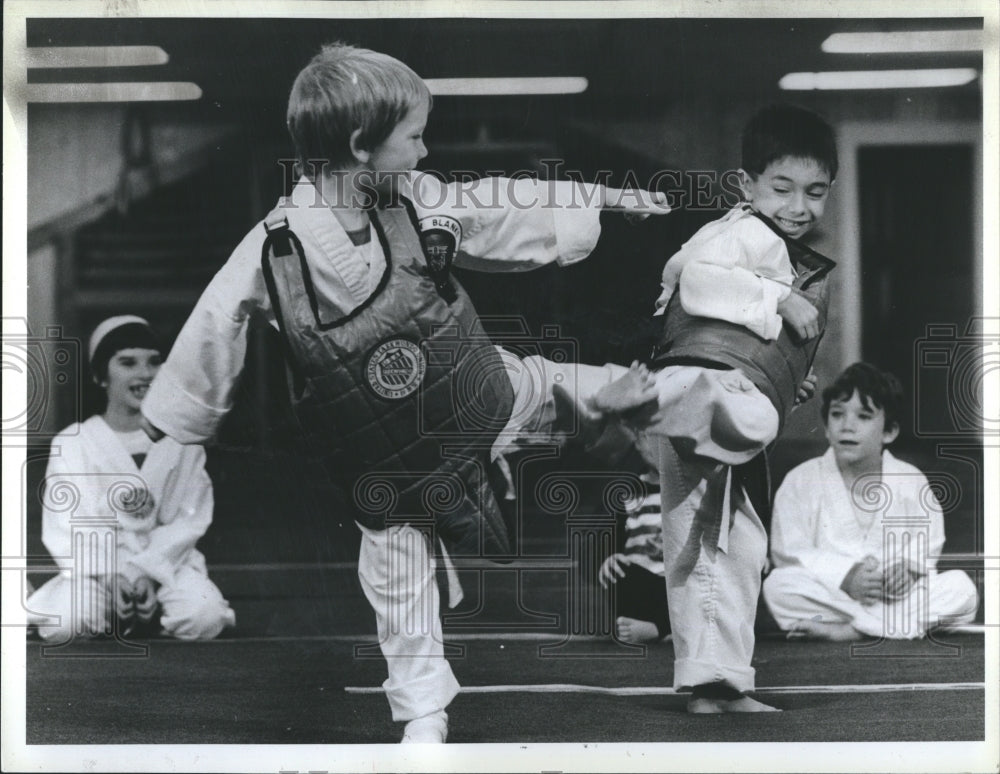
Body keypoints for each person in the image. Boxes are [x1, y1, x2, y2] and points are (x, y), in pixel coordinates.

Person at [137, 43, 668, 743]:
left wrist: (604, 197)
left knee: (576, 388)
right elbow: (214, 324)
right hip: (377, 440)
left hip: (474, 391)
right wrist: (174, 423)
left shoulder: (414, 203)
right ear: (361, 145)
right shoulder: (276, 246)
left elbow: (497, 208)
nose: (424, 151)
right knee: (397, 558)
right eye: (413, 136)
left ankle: (622, 400)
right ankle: (422, 712)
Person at [567, 104, 836, 712]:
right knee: (745, 456)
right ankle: (656, 404)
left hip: (713, 393)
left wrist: (786, 370)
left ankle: (712, 684)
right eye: (783, 188)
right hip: (702, 383)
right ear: (747, 187)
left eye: (815, 192)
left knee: (718, 544)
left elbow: (709, 303)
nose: (799, 206)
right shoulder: (748, 233)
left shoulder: (742, 230)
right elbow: (698, 285)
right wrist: (778, 302)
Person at [26, 315, 236, 643]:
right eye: (127, 362)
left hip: (165, 565)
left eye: (154, 362)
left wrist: (147, 573)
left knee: (204, 618)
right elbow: (67, 525)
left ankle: (147, 613)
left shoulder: (181, 441)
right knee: (67, 623)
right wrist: (112, 576)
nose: (144, 374)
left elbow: (188, 521)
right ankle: (113, 611)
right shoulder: (74, 442)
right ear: (100, 375)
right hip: (97, 571)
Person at [762, 362, 979, 641]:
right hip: (836, 595)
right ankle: (892, 626)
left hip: (895, 598)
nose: (847, 426)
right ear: (826, 428)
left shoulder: (911, 480)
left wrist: (909, 570)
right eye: (837, 415)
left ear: (888, 432)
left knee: (962, 590)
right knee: (779, 585)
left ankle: (855, 629)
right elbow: (788, 551)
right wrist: (846, 576)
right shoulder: (800, 480)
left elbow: (928, 542)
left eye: (863, 417)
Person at [597, 431, 670, 645]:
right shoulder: (628, 493)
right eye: (651, 438)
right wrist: (608, 558)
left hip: (678, 581)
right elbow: (608, 538)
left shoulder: (692, 489)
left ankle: (660, 628)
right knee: (619, 571)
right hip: (644, 579)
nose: (660, 447)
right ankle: (654, 626)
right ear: (638, 442)